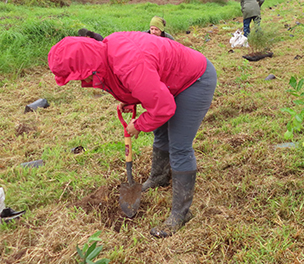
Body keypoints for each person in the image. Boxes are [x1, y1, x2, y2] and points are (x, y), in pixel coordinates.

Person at [48, 31, 217, 237]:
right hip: (171, 80)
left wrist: (138, 124)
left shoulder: (130, 64)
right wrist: (130, 98)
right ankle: (159, 178)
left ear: (86, 66)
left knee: (179, 146)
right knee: (162, 134)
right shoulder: (106, 53)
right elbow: (132, 82)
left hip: (194, 80)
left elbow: (163, 107)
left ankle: (181, 214)